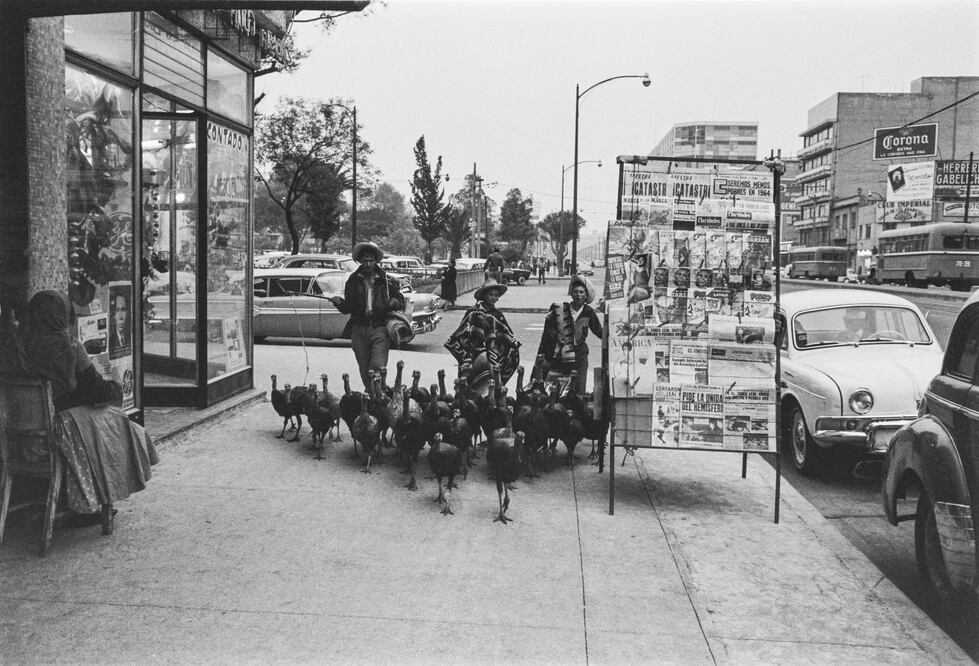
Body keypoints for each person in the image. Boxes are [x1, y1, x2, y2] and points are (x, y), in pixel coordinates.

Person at [0, 290, 157, 526]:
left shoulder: (13, 346)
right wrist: (116, 387)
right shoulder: (70, 348)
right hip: (54, 440)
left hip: (15, 442)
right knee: (116, 423)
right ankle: (90, 503)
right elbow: (96, 390)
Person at [329, 242, 406, 390]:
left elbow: (400, 300)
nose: (368, 264)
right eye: (365, 260)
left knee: (377, 366)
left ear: (376, 260)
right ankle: (373, 396)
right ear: (360, 260)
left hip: (380, 328)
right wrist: (339, 303)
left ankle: (376, 394)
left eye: (371, 260)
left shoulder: (387, 280)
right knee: (364, 369)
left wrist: (389, 303)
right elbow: (348, 308)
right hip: (359, 329)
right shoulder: (352, 281)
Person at [445, 277, 521, 395]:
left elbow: (506, 335)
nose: (494, 298)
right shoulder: (473, 313)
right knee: (470, 393)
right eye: (491, 294)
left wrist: (509, 346)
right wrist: (468, 356)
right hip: (473, 355)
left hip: (493, 356)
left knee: (492, 389)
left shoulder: (497, 315)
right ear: (484, 295)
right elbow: (462, 334)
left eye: (496, 295)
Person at [535, 275, 603, 395]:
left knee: (579, 387)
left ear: (586, 295)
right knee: (558, 387)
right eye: (575, 292)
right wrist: (557, 335)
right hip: (561, 354)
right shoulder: (560, 309)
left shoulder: (589, 312)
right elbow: (549, 329)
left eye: (582, 292)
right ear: (571, 294)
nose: (578, 295)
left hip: (580, 354)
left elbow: (599, 331)